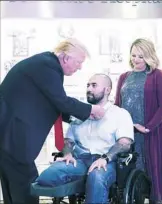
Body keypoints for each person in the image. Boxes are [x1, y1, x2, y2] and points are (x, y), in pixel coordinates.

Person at [0, 38, 105, 204]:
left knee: (11, 180)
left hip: (8, 133)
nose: (80, 67)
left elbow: (50, 102)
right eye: (79, 62)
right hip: (14, 134)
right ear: (66, 58)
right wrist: (90, 110)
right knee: (24, 180)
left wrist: (73, 117)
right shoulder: (47, 66)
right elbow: (60, 100)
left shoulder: (44, 64)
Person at [35, 74, 134, 204]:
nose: (89, 89)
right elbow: (68, 140)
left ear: (107, 90)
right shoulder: (81, 113)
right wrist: (67, 153)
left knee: (96, 176)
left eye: (94, 85)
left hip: (107, 162)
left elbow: (125, 143)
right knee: (46, 177)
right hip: (80, 161)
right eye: (87, 85)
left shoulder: (120, 114)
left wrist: (105, 158)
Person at [114, 38, 162, 203]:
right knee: (128, 170)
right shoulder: (124, 77)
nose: (136, 59)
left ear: (149, 56)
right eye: (133, 55)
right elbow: (117, 104)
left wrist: (148, 127)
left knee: (148, 168)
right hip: (126, 132)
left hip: (147, 133)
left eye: (141, 56)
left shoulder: (157, 76)